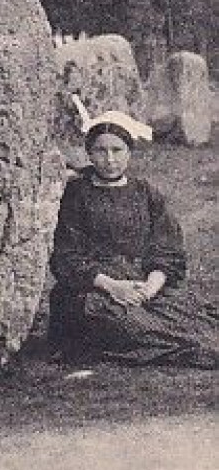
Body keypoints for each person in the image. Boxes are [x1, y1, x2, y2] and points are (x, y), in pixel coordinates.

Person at [49, 102, 218, 367]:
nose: (110, 159)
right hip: (92, 291)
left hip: (142, 285)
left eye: (117, 150)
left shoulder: (145, 192)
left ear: (129, 152)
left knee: (195, 318)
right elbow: (66, 256)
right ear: (89, 153)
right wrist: (113, 286)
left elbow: (167, 248)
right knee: (129, 325)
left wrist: (149, 288)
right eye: (100, 151)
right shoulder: (75, 195)